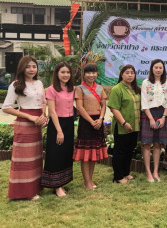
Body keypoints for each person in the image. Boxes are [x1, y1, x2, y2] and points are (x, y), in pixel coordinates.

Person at [2, 55, 46, 200]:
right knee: (23, 159)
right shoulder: (16, 84)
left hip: (37, 124)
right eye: (28, 66)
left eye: (34, 66)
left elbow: (43, 102)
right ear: (22, 68)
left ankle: (34, 188)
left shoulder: (39, 83)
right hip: (24, 123)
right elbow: (6, 108)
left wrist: (43, 116)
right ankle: (23, 192)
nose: (31, 69)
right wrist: (30, 117)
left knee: (35, 157)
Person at [41, 62, 75, 197]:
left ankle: (63, 181)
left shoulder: (72, 88)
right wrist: (59, 131)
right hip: (57, 125)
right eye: (63, 72)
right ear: (57, 74)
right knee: (56, 154)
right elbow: (52, 112)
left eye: (68, 72)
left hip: (69, 123)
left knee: (66, 153)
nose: (66, 75)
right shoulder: (51, 89)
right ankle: (56, 185)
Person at [73, 63, 108, 190]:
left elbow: (103, 105)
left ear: (96, 73)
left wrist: (101, 119)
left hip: (98, 121)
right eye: (88, 73)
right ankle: (86, 181)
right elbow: (80, 107)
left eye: (93, 72)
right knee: (85, 154)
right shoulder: (79, 88)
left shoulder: (100, 88)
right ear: (84, 74)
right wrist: (90, 121)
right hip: (86, 123)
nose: (91, 75)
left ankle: (90, 179)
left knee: (94, 152)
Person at [108, 64, 141, 183]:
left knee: (129, 150)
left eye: (132, 73)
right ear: (122, 74)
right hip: (122, 126)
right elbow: (114, 108)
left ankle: (126, 172)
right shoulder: (117, 89)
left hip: (134, 125)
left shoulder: (135, 89)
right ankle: (118, 176)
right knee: (120, 151)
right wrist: (124, 123)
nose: (130, 75)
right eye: (127, 72)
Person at [140, 59, 167, 183]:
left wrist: (163, 117)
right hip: (149, 114)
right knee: (147, 144)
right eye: (156, 67)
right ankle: (148, 172)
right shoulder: (146, 83)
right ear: (152, 69)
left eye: (160, 68)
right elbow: (144, 102)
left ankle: (155, 171)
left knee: (158, 144)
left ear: (163, 70)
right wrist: (151, 119)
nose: (158, 70)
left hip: (162, 114)